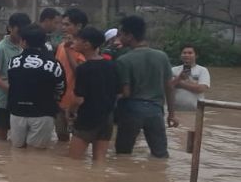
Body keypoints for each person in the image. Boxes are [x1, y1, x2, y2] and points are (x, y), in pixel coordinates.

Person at [114, 15, 177, 158]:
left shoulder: (123, 60)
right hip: (155, 111)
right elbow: (170, 87)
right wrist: (172, 114)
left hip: (131, 110)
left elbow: (126, 92)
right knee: (160, 155)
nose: (119, 38)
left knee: (122, 155)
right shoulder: (162, 56)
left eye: (121, 34)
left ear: (129, 36)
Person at [7, 24, 65, 150]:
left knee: (17, 153)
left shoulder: (13, 62)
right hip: (43, 114)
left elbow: (12, 84)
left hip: (17, 112)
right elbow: (60, 88)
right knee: (36, 156)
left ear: (23, 42)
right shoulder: (54, 64)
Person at [69, 26, 120, 163]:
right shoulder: (112, 66)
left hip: (87, 119)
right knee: (99, 161)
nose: (73, 42)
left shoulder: (83, 69)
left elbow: (79, 100)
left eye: (77, 40)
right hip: (107, 119)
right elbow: (119, 93)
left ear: (87, 44)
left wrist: (70, 111)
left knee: (73, 162)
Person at [0, 12, 31, 141]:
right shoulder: (0, 48)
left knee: (22, 135)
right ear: (10, 28)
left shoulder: (27, 47)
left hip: (22, 99)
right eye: (19, 31)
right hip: (3, 100)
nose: (21, 35)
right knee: (1, 136)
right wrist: (12, 90)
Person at [54, 8, 88, 142]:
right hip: (60, 100)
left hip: (77, 103)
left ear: (79, 26)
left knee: (78, 141)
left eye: (67, 24)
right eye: (62, 24)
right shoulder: (61, 45)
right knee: (61, 140)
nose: (63, 27)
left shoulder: (87, 47)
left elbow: (82, 74)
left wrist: (69, 51)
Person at [171, 45, 211, 112]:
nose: (186, 55)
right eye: (184, 53)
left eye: (190, 53)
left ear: (196, 55)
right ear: (181, 55)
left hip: (196, 111)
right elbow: (168, 86)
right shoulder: (173, 70)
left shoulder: (202, 70)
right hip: (175, 111)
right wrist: (192, 84)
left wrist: (179, 82)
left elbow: (201, 89)